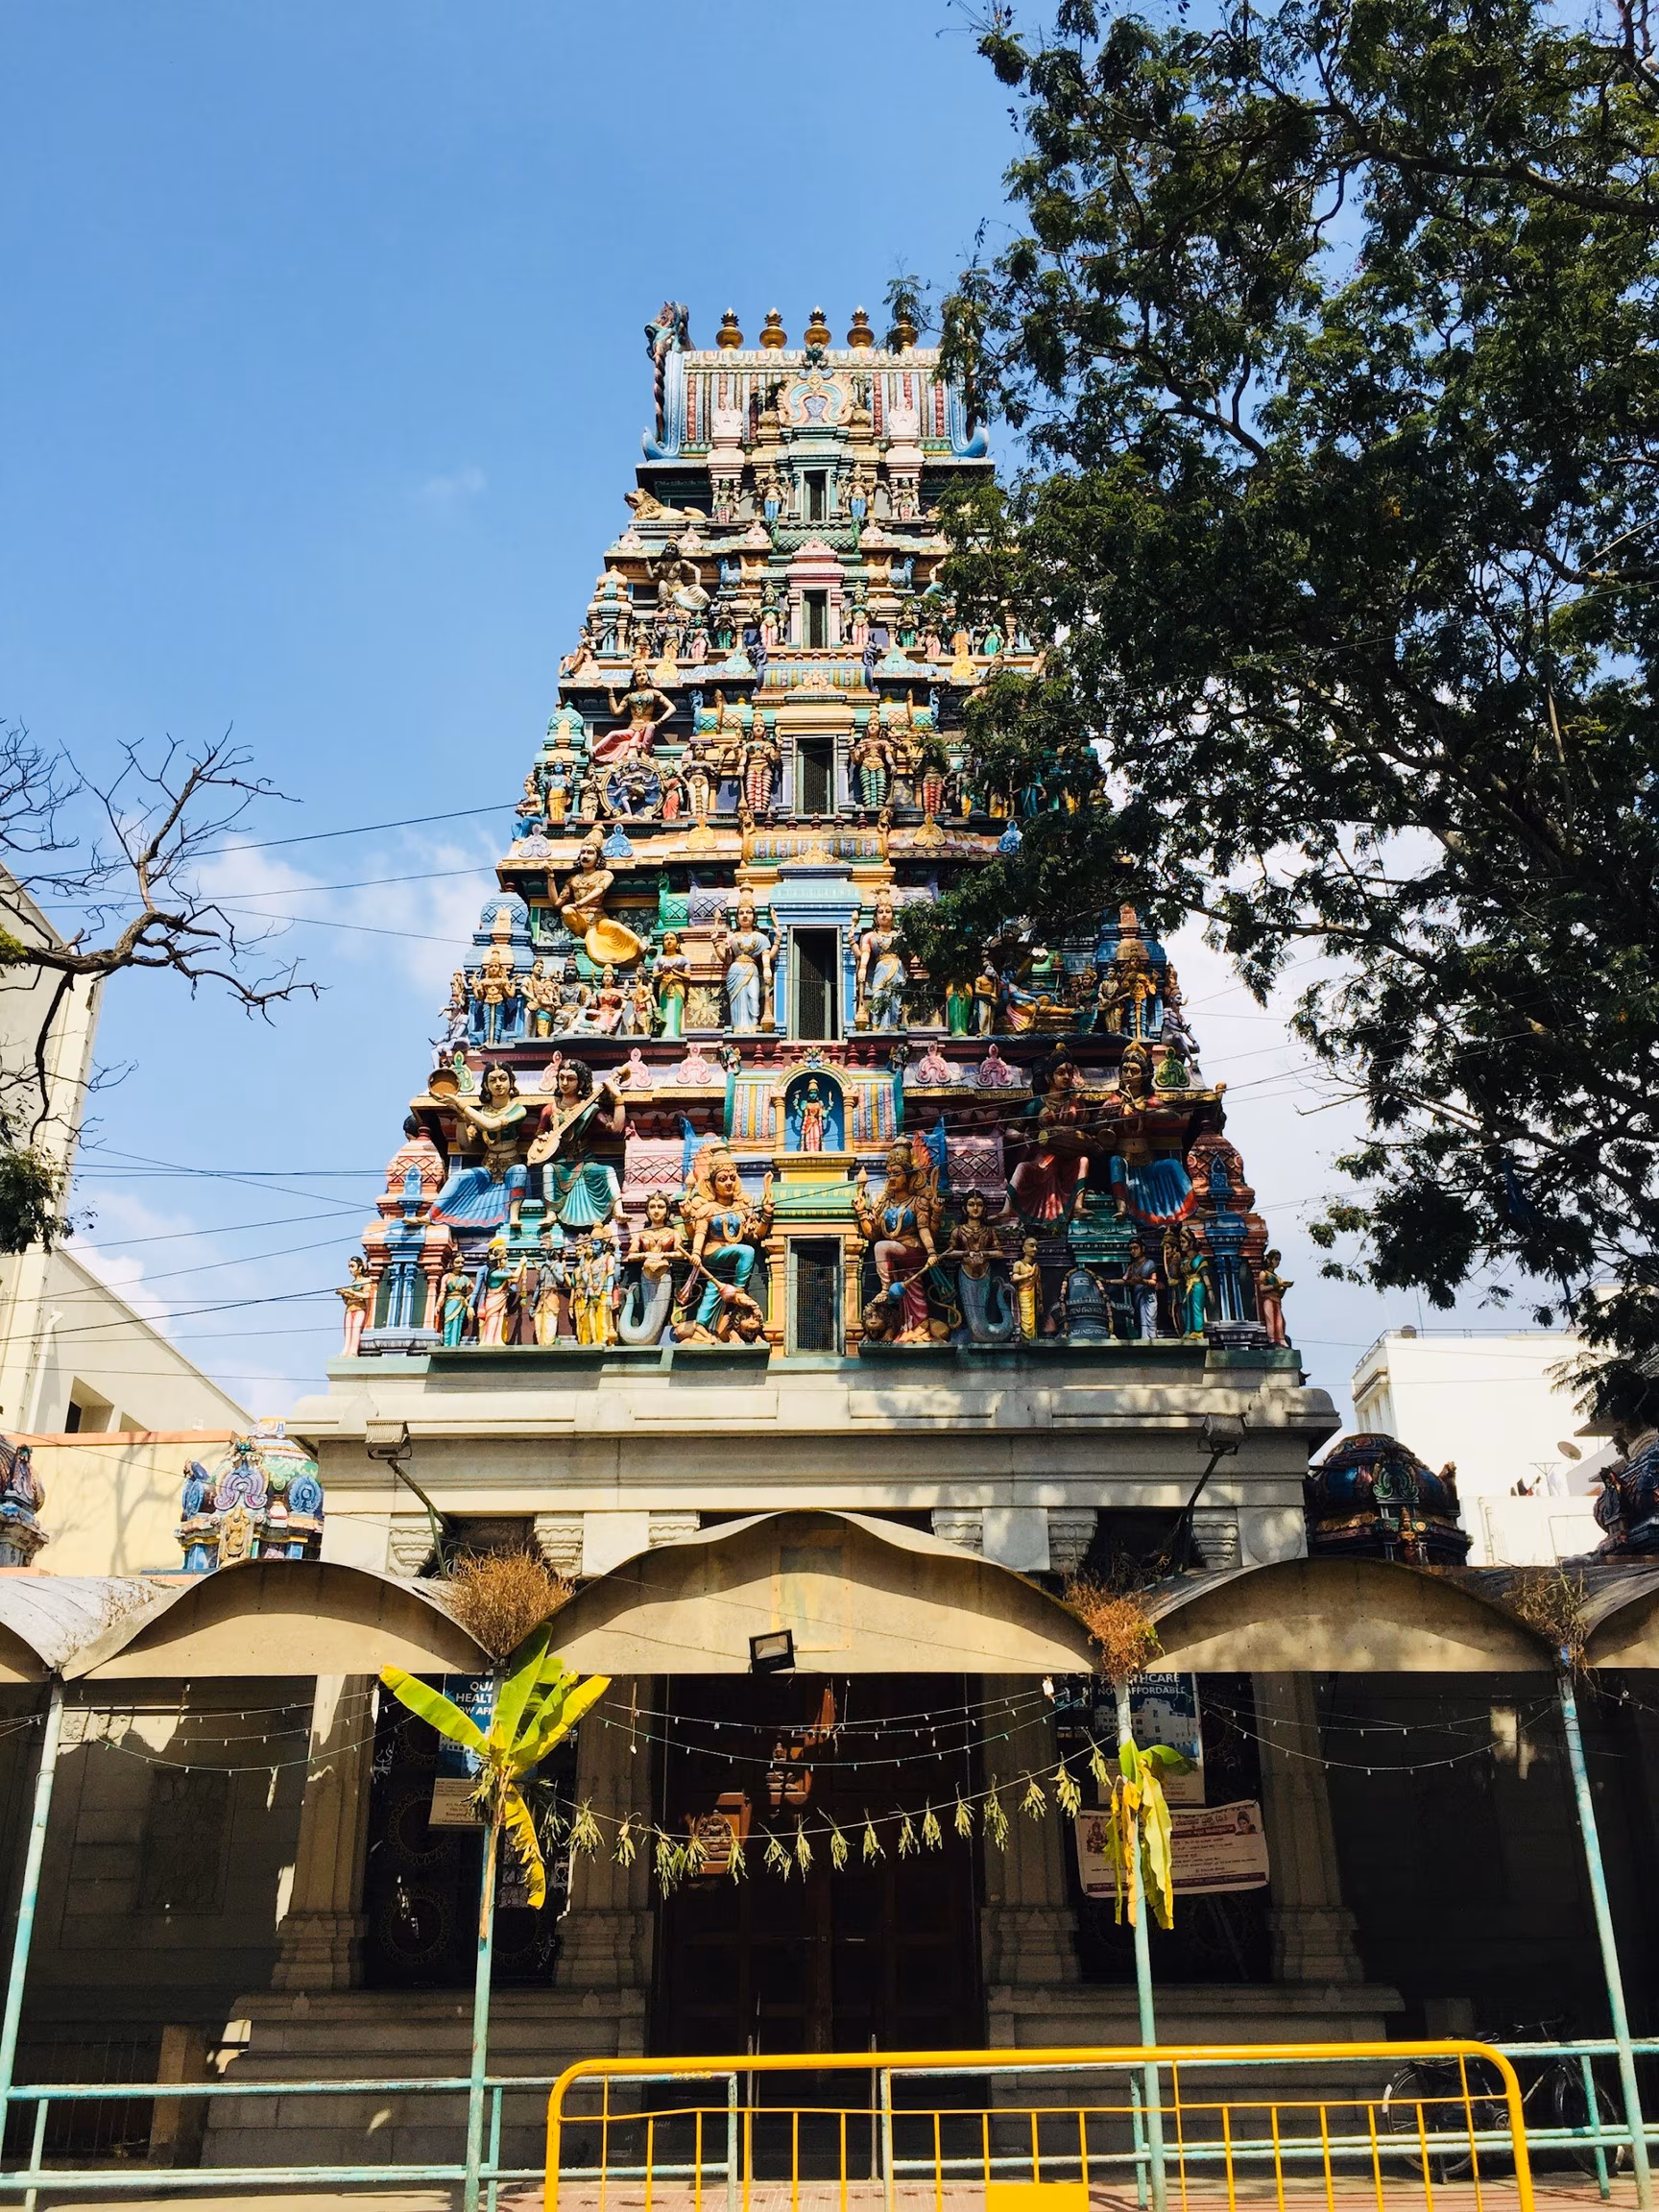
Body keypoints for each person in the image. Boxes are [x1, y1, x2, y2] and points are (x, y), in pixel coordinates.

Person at [430, 1064, 529, 1234]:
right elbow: (464, 1144)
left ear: (511, 1083)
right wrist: (461, 1118)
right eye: (493, 1080)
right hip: (488, 1170)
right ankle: (431, 1214)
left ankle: (514, 1215)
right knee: (459, 1176)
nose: (498, 1084)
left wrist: (461, 1104)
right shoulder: (482, 1112)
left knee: (520, 1170)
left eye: (503, 1079)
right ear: (485, 1086)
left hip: (510, 1169)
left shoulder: (518, 1110)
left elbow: (491, 1125)